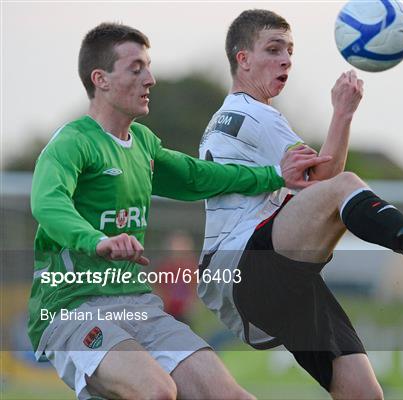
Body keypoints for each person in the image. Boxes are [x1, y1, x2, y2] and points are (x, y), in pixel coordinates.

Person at [198, 9, 403, 399]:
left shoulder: (228, 118)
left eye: (290, 50)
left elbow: (320, 189)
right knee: (345, 187)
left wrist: (343, 116)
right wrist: (341, 113)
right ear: (242, 59)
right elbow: (327, 185)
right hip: (246, 260)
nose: (286, 59)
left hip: (251, 272)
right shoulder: (255, 115)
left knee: (363, 392)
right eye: (273, 49)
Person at [29, 22, 330, 400]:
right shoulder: (72, 143)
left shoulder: (142, 143)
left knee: (234, 397)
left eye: (149, 66)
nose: (150, 78)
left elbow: (196, 177)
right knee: (157, 392)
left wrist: (274, 174)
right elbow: (48, 204)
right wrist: (96, 240)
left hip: (138, 304)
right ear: (101, 79)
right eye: (136, 68)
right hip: (71, 308)